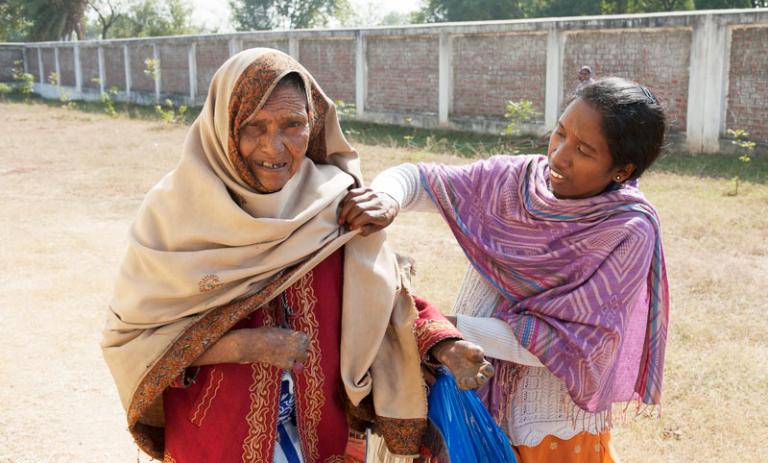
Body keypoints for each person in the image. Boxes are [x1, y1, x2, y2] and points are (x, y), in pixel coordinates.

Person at [101, 48, 493, 463]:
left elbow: (383, 297)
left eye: (293, 125)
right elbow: (134, 341)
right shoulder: (173, 215)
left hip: (319, 436)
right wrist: (241, 346)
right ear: (224, 126)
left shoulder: (333, 199)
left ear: (314, 124)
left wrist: (443, 344)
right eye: (254, 126)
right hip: (217, 435)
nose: (276, 147)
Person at [340, 77, 670, 462]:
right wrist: (385, 199)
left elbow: (570, 347)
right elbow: (419, 179)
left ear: (622, 170)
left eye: (583, 150)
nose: (559, 157)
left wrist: (443, 329)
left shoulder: (627, 231)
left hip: (547, 427)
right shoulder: (514, 182)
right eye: (559, 133)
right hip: (468, 402)